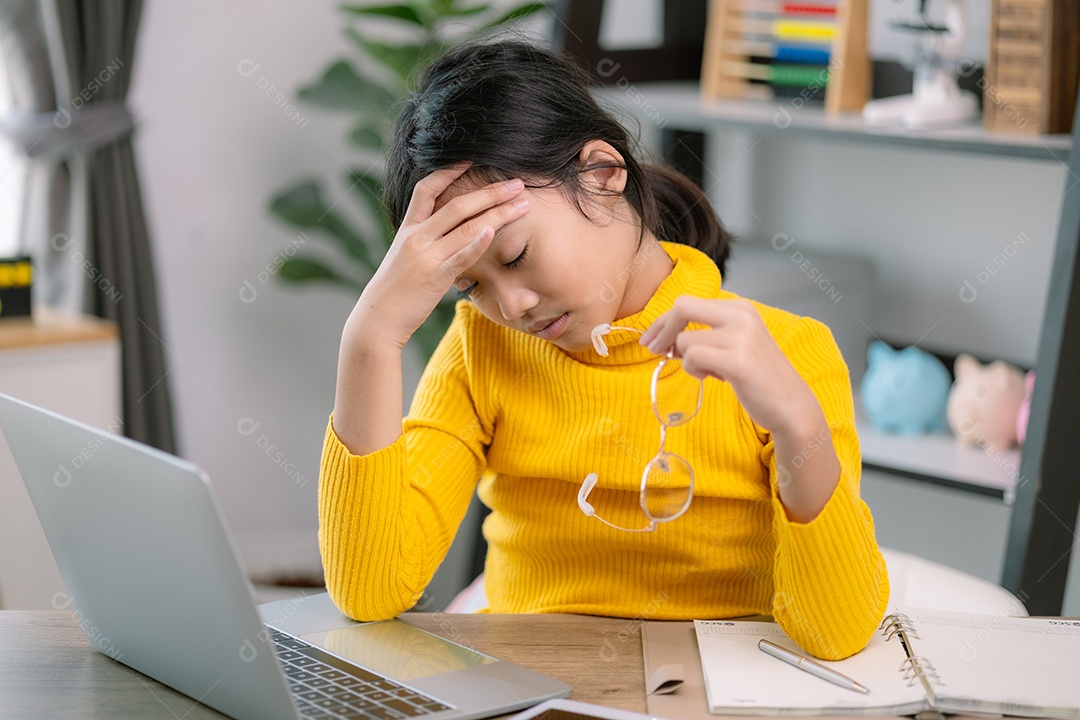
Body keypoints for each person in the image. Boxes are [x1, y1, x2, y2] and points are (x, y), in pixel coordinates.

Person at [320, 38, 888, 660]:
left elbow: (836, 633)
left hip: (713, 689)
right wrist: (370, 337)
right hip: (535, 685)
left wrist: (797, 423)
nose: (511, 306)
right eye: (470, 284)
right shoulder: (480, 348)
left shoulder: (788, 352)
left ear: (602, 173)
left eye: (516, 255)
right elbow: (371, 591)